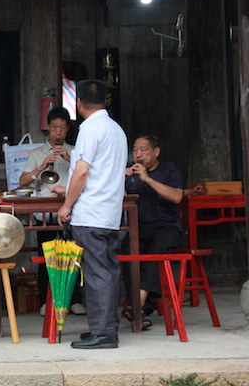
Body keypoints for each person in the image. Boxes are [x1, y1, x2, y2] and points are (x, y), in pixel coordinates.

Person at [57, 79, 128, 349]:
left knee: (98, 273)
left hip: (91, 212)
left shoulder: (89, 128)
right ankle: (104, 328)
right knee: (105, 271)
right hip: (109, 211)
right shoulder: (116, 129)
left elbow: (82, 170)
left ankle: (104, 332)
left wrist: (66, 205)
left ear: (78, 103)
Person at [19, 107, 85, 316]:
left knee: (73, 257)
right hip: (44, 214)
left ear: (67, 129)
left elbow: (87, 174)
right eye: (54, 127)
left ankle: (74, 300)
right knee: (46, 257)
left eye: (62, 128)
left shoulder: (75, 152)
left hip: (71, 211)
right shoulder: (37, 153)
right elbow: (22, 181)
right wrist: (42, 166)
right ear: (48, 127)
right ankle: (46, 301)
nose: (58, 132)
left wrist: (68, 158)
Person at [122, 135, 184, 330]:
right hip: (139, 228)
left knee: (156, 251)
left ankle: (137, 304)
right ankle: (141, 307)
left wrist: (147, 179)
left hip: (166, 227)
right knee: (127, 250)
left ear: (156, 152)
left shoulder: (169, 170)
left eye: (143, 150)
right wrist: (120, 179)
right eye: (135, 150)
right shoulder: (129, 173)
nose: (138, 155)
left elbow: (177, 197)